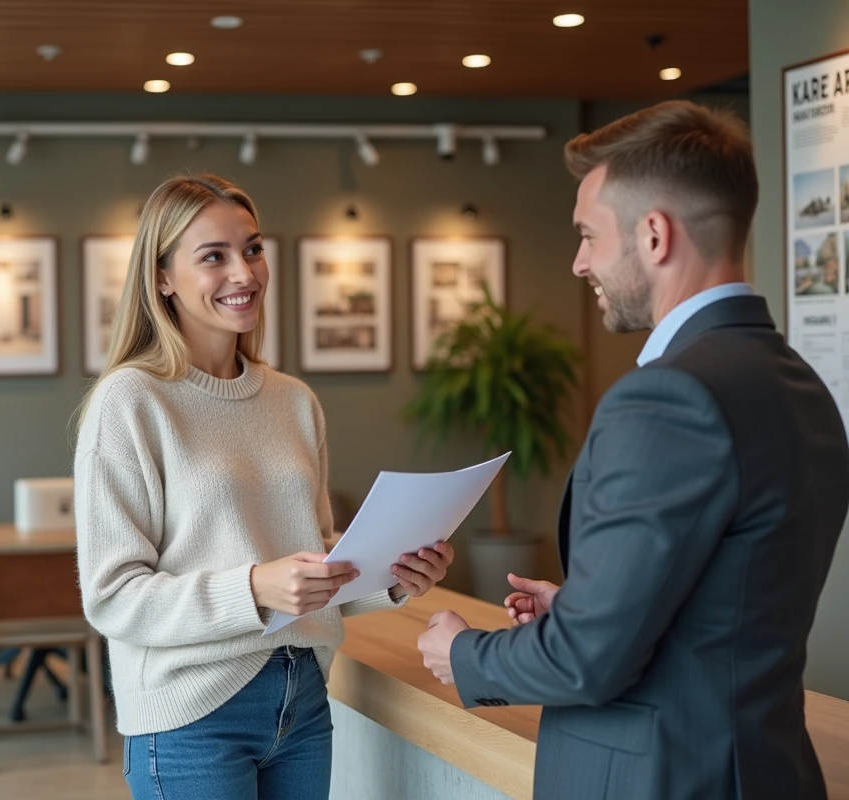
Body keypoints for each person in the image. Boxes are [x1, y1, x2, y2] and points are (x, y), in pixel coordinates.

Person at [416, 100, 849, 800]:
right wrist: (587, 603)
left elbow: (590, 662)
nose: (578, 261)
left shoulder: (666, 399)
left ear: (653, 235)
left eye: (589, 235)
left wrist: (464, 654)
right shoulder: (799, 382)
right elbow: (728, 606)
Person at [74, 173, 453, 800]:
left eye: (252, 249)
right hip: (192, 718)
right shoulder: (131, 402)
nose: (244, 273)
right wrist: (254, 587)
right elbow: (113, 597)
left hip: (303, 702)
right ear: (162, 277)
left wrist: (393, 576)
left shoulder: (294, 402)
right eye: (213, 257)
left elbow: (314, 565)